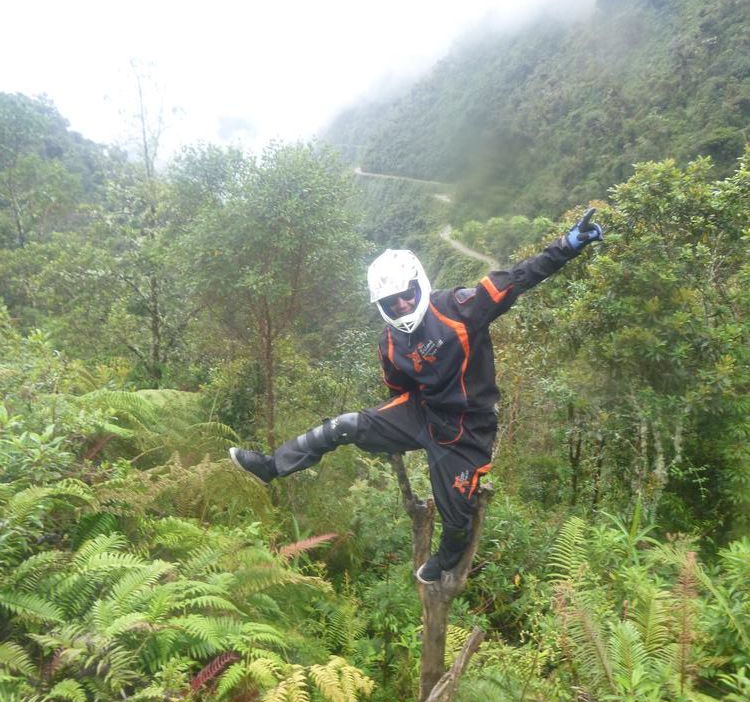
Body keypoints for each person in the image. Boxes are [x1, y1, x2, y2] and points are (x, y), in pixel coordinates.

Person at [230, 210, 603, 584]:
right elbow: (398, 391)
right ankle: (271, 467)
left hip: (468, 431)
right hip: (422, 414)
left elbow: (519, 278)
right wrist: (390, 432)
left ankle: (448, 557)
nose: (403, 306)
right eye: (393, 302)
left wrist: (568, 245)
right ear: (383, 306)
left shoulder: (460, 307)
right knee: (342, 426)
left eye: (406, 295)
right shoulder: (389, 343)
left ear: (418, 285)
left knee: (456, 515)